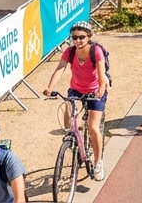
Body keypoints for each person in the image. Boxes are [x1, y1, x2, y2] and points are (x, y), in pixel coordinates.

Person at [43, 21, 108, 181]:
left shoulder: (96, 51)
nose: (78, 40)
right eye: (74, 37)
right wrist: (50, 87)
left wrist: (100, 90)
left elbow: (101, 74)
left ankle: (98, 161)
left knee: (93, 127)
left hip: (94, 91)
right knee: (69, 112)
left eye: (81, 37)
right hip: (76, 89)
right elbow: (60, 68)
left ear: (89, 37)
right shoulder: (70, 52)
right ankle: (75, 139)